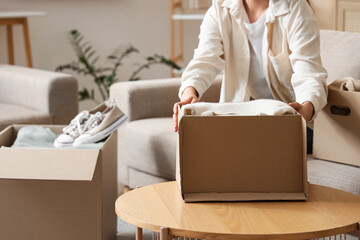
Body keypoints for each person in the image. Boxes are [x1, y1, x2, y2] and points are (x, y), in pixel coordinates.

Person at [172, 0, 328, 153]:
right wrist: (189, 94)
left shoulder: (296, 8)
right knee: (198, 136)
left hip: (289, 117)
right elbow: (204, 60)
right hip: (247, 113)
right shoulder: (220, 9)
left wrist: (304, 110)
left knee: (238, 146)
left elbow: (309, 72)